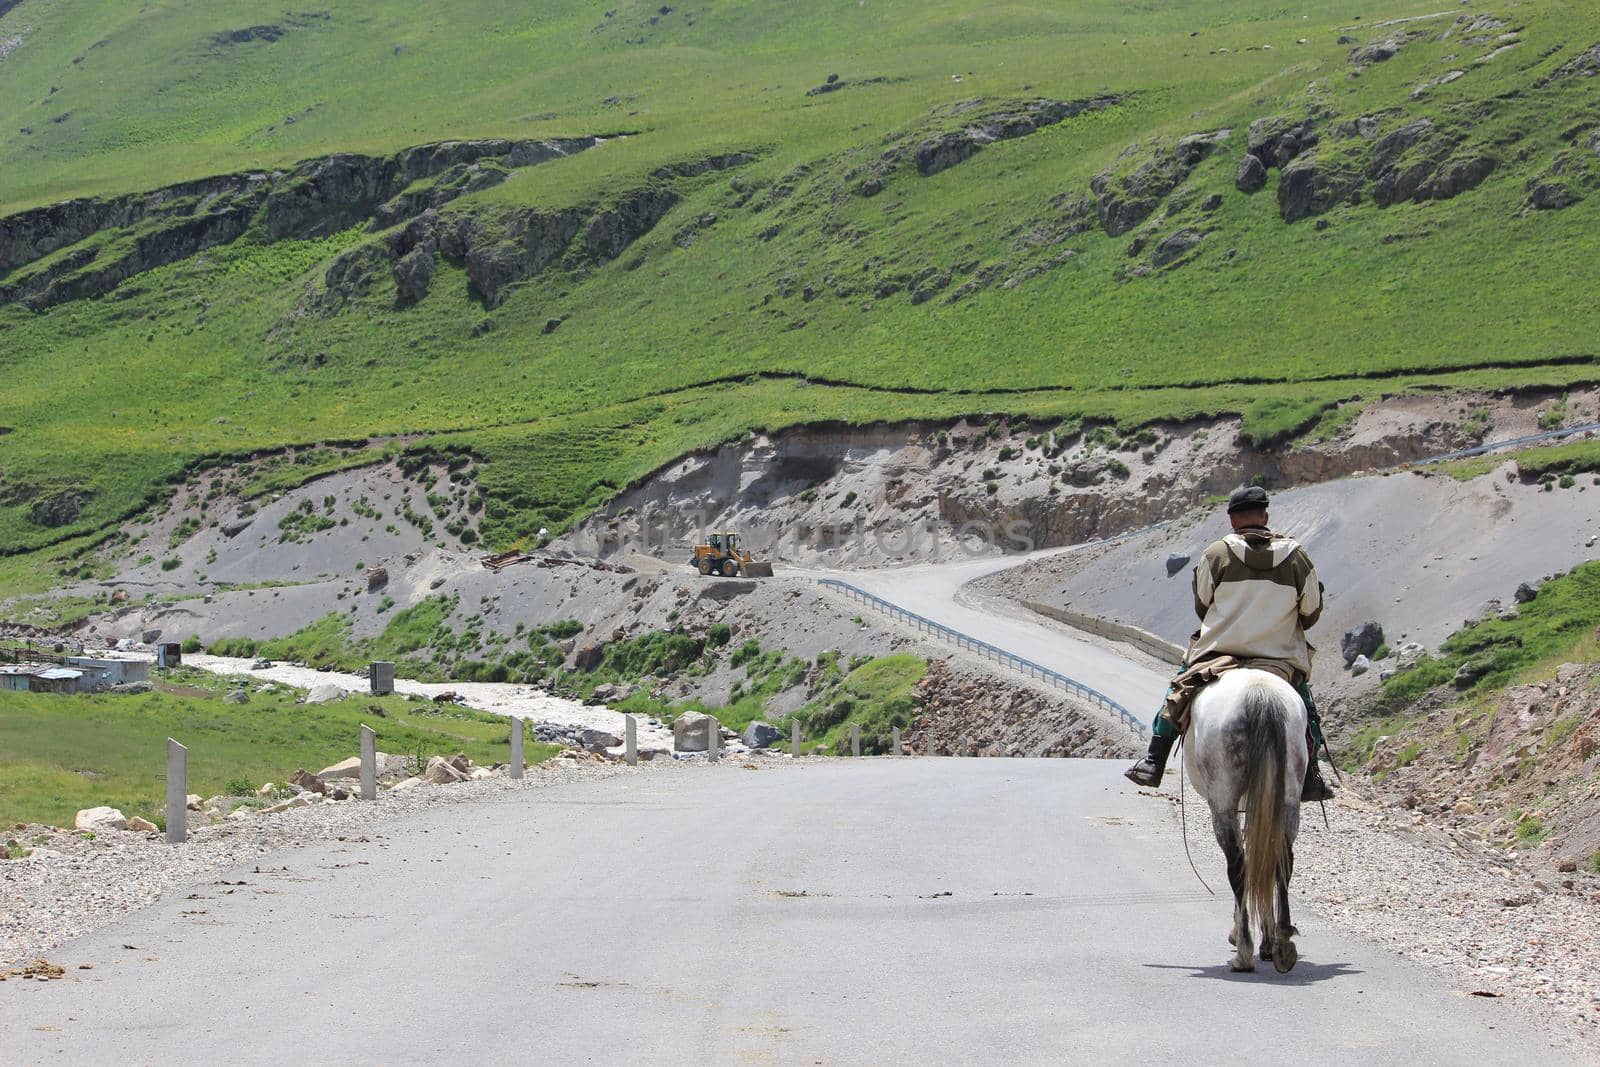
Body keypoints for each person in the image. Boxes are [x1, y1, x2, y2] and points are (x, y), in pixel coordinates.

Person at [1124, 485, 1334, 801]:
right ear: (1265, 516)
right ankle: (1311, 775)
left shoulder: (1215, 554)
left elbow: (1203, 603)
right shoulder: (1297, 557)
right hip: (1278, 656)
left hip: (1218, 653)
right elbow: (1310, 611)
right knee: (1304, 706)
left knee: (1177, 694)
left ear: (1232, 520)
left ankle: (1154, 761)